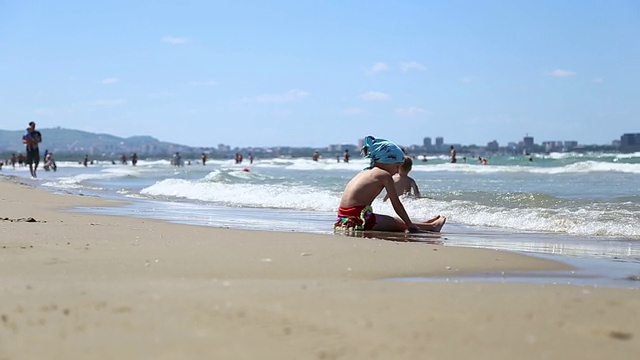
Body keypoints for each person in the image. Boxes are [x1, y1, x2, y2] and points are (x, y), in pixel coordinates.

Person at [334, 135, 446, 233]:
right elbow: (396, 204)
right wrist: (409, 224)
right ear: (385, 161)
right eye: (396, 166)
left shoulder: (365, 172)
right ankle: (432, 227)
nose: (397, 171)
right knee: (394, 223)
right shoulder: (384, 175)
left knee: (393, 221)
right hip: (358, 220)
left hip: (342, 218)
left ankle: (423, 224)